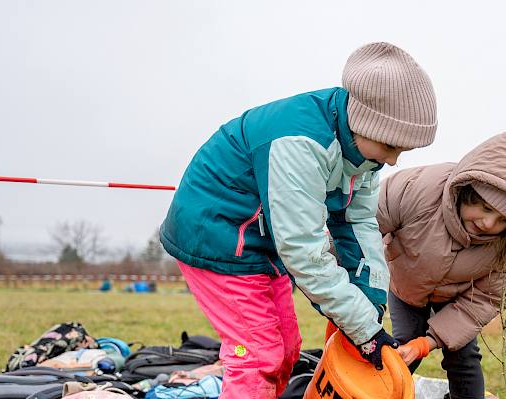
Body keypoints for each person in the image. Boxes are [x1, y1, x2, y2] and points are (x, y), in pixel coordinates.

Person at [159, 42, 438, 398]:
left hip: (261, 240)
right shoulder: (300, 143)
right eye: (390, 147)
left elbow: (360, 225)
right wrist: (365, 331)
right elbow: (304, 252)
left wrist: (370, 306)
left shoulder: (364, 156)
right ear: (365, 123)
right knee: (259, 355)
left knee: (288, 348)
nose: (394, 161)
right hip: (216, 234)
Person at [378, 131, 506, 399]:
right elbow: (363, 226)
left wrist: (428, 343)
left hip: (459, 297)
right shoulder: (416, 189)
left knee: (463, 357)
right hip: (407, 284)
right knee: (403, 350)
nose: (488, 224)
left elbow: (482, 303)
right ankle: (381, 392)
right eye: (485, 207)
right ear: (468, 189)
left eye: (503, 219)